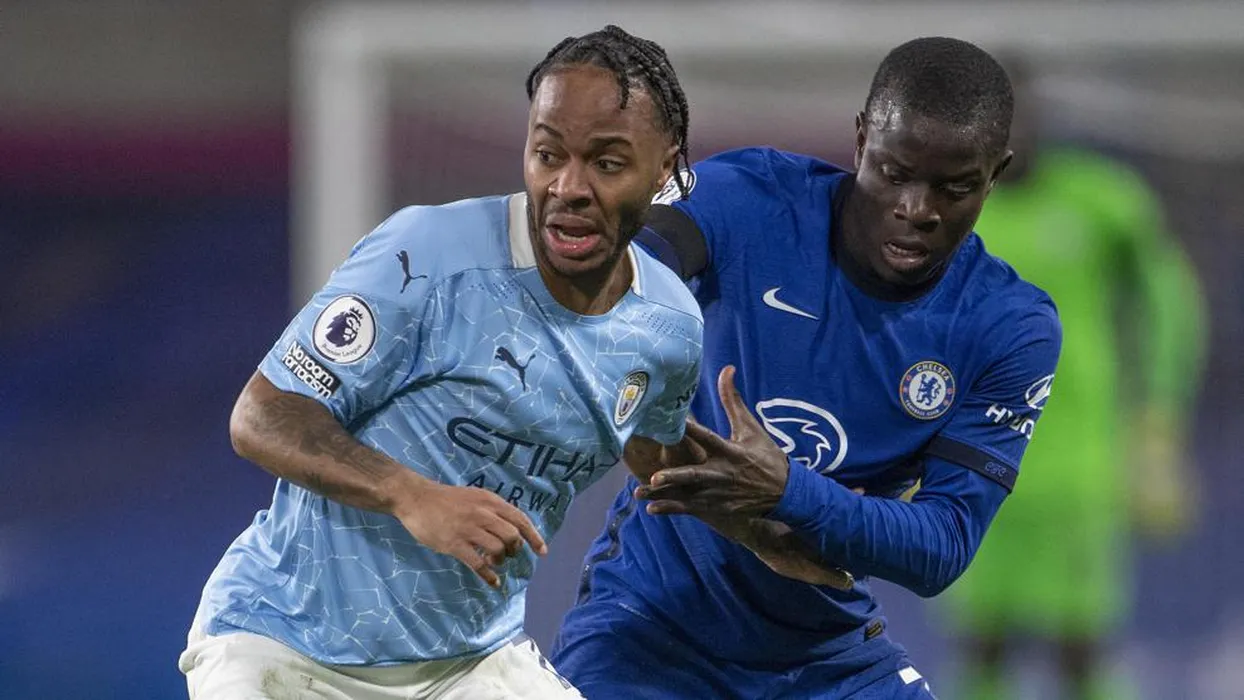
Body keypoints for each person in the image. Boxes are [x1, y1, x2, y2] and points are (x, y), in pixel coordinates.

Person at [178, 25, 704, 700]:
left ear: (664, 168)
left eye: (607, 163)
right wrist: (411, 494)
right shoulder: (426, 254)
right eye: (548, 154)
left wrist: (772, 498)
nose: (567, 187)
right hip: (282, 643)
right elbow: (263, 416)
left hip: (469, 665)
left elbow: (659, 458)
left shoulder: (668, 328)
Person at [551, 37, 1062, 699]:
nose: (917, 209)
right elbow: (612, 287)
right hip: (646, 628)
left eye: (955, 187)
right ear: (860, 140)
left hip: (829, 658)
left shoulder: (1009, 324)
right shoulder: (749, 197)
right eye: (894, 172)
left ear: (996, 174)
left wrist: (785, 490)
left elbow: (941, 546)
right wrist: (649, 420)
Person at [942, 57, 1209, 700]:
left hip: (1080, 468)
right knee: (982, 643)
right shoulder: (947, 212)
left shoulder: (1104, 201)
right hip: (969, 460)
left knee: (1080, 649)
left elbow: (1170, 308)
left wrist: (1159, 425)